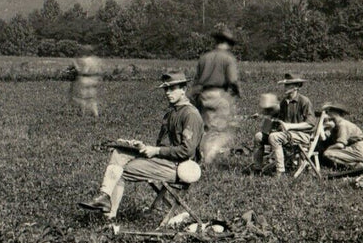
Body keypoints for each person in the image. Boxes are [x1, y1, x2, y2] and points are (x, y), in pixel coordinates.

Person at [79, 71, 204, 220]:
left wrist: (156, 150)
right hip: (166, 160)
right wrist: (141, 147)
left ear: (183, 89)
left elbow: (187, 151)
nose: (168, 93)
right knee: (119, 152)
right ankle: (104, 196)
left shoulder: (190, 115)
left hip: (180, 168)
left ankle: (109, 217)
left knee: (121, 171)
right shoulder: (171, 113)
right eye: (166, 89)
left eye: (172, 88)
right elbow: (164, 145)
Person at [189, 27, 242, 165]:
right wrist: (237, 93)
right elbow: (232, 80)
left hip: (203, 95)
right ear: (228, 44)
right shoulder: (227, 58)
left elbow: (197, 79)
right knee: (222, 130)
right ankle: (208, 159)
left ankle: (199, 154)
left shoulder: (204, 57)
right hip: (219, 95)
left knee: (206, 128)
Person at [253, 74, 316, 176]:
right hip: (286, 134)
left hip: (302, 135)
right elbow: (278, 119)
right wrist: (265, 118)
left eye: (288, 85)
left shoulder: (304, 101)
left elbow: (310, 124)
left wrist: (289, 126)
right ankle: (257, 169)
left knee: (274, 137)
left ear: (296, 87)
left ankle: (280, 172)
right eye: (285, 85)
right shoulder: (284, 102)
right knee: (258, 136)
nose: (285, 88)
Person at [316, 102, 363, 169]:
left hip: (357, 149)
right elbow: (324, 139)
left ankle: (354, 165)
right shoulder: (336, 125)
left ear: (336, 113)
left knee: (328, 153)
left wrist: (327, 149)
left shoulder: (342, 124)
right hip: (352, 148)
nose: (326, 114)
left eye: (328, 111)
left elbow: (340, 145)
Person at [70, 45, 103, 117]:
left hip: (85, 79)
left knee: (83, 98)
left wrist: (75, 64)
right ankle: (96, 114)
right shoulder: (97, 60)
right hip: (94, 79)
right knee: (93, 99)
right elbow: (100, 70)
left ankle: (82, 114)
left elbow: (82, 71)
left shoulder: (84, 60)